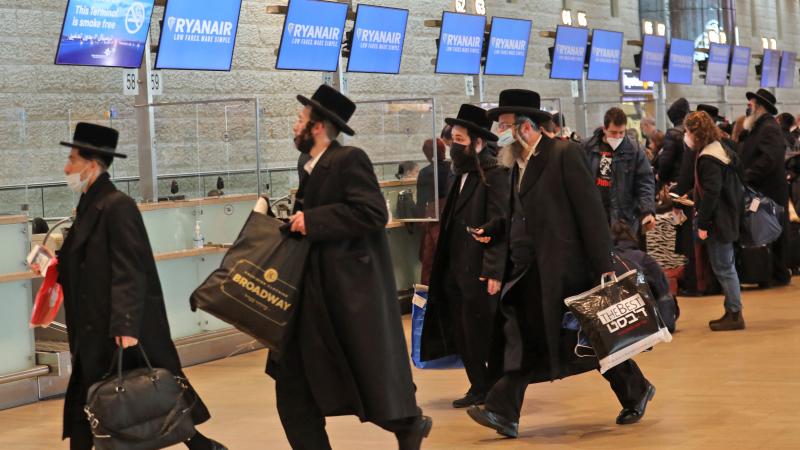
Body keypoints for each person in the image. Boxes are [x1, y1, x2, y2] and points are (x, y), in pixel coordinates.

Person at [467, 89, 655, 438]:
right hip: (527, 271)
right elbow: (517, 213)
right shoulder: (514, 163)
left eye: (506, 125)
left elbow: (590, 212)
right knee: (530, 338)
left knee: (586, 340)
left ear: (525, 127)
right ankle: (503, 410)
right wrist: (493, 230)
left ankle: (636, 388)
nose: (500, 133)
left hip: (565, 268)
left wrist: (604, 265)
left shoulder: (563, 154)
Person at [266, 85, 431, 450]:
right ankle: (407, 424)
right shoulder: (309, 165)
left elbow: (371, 212)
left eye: (300, 119)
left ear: (318, 127)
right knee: (292, 386)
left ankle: (407, 423)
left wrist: (313, 220)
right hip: (310, 294)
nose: (294, 125)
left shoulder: (348, 159)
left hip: (342, 292)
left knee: (357, 373)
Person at [43, 123, 223, 450]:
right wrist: (51, 265)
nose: (66, 168)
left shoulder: (116, 205)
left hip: (114, 328)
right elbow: (85, 260)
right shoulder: (90, 204)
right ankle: (202, 446)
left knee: (141, 397)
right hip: (94, 326)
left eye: (72, 160)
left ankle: (202, 446)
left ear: (92, 164)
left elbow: (130, 267)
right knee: (101, 402)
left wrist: (126, 324)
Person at [420, 104, 509, 409]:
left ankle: (496, 388)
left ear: (478, 143)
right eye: (452, 140)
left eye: (460, 140)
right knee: (462, 332)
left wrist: (494, 269)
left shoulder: (494, 175)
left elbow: (500, 225)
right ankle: (478, 385)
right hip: (453, 269)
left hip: (478, 270)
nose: (454, 147)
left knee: (484, 332)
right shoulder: (457, 174)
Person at [685, 111, 745, 330]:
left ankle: (734, 314)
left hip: (719, 220)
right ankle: (731, 310)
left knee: (724, 268)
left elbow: (712, 192)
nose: (686, 136)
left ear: (695, 133)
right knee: (726, 266)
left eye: (687, 131)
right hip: (728, 216)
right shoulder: (720, 149)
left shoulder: (708, 158)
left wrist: (703, 222)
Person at [739, 89, 792, 286]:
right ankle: (769, 273)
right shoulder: (760, 127)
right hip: (762, 191)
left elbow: (769, 158)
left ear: (760, 107)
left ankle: (777, 274)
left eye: (751, 104)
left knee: (772, 232)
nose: (748, 107)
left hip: (769, 192)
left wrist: (747, 175)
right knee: (766, 232)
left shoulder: (768, 128)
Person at [582, 107, 656, 236]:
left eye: (621, 132)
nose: (617, 137)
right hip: (595, 217)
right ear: (604, 129)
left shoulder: (634, 150)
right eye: (613, 132)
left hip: (625, 218)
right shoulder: (587, 148)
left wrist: (647, 211)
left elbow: (645, 182)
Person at [417, 138, 452, 285]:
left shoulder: (425, 172)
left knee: (429, 263)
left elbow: (421, 202)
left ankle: (427, 297)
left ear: (427, 153)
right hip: (451, 215)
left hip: (433, 219)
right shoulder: (452, 168)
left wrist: (419, 221)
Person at [657, 98, 690, 190]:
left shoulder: (672, 134)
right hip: (690, 181)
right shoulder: (692, 131)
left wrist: (660, 177)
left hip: (674, 182)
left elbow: (665, 161)